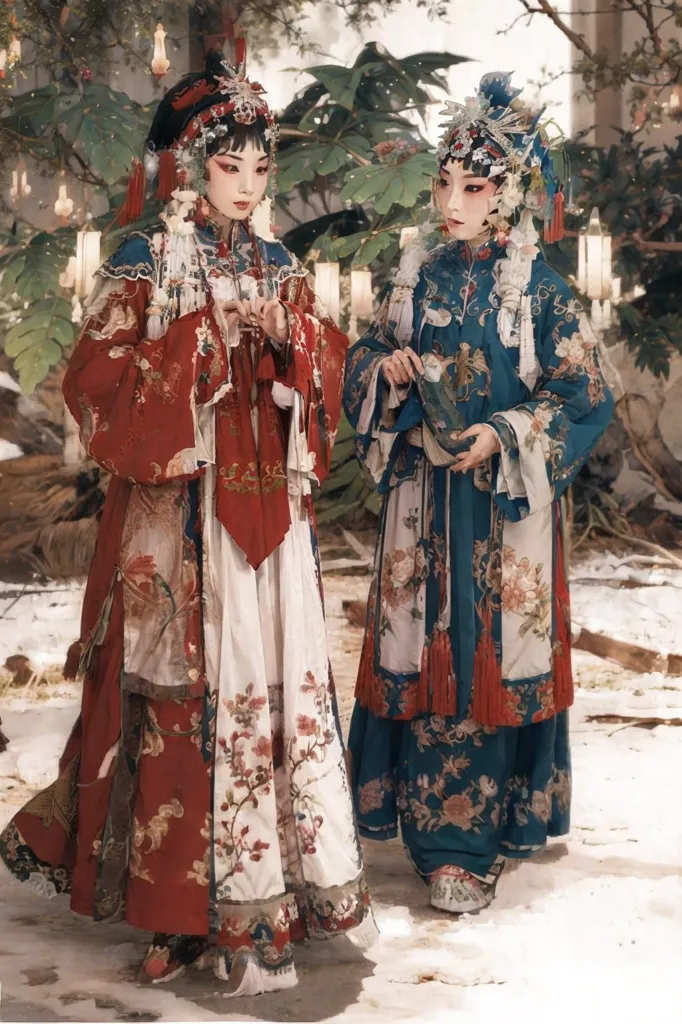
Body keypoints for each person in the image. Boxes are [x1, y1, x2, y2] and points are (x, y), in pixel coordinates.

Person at [0, 47, 373, 994]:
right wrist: (207, 341)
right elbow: (91, 380)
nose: (247, 185)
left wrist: (295, 344)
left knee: (270, 689)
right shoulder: (146, 259)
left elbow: (326, 374)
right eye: (227, 166)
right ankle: (173, 909)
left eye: (260, 168)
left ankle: (271, 895)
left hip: (269, 519)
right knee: (176, 699)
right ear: (192, 167)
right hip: (181, 515)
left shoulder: (284, 264)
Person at [343, 73, 615, 915]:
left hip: (501, 511)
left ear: (508, 196)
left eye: (474, 187)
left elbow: (585, 395)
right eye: (445, 184)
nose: (452, 201)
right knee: (421, 641)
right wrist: (380, 371)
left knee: (492, 650)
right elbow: (367, 357)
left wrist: (505, 434)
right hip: (424, 503)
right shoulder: (414, 278)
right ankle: (425, 831)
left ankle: (480, 838)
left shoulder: (538, 289)